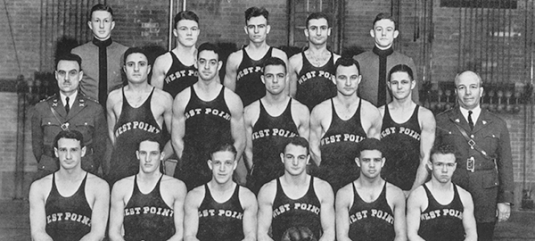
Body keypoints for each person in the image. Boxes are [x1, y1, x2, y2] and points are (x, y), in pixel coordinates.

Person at [435, 70, 513, 241]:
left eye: (473, 87)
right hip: (452, 191)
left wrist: (505, 199)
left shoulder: (497, 124)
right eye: (462, 87)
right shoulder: (441, 121)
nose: (468, 92)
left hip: (485, 196)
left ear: (481, 91)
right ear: (456, 92)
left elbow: (505, 164)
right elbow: (432, 160)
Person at [172, 42, 246, 190]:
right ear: (195, 63)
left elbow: (240, 141)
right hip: (189, 174)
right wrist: (189, 164)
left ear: (219, 65)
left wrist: (225, 167)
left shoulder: (232, 100)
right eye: (202, 61)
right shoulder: (182, 98)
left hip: (221, 175)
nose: (207, 67)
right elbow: (176, 139)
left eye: (212, 62)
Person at [309, 57, 382, 191]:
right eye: (342, 78)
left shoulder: (371, 112)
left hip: (359, 187)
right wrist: (329, 174)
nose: (348, 83)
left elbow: (374, 152)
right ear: (333, 79)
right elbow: (314, 150)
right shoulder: (320, 111)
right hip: (327, 183)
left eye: (353, 77)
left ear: (359, 79)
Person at [31, 53, 107, 178]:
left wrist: (89, 166)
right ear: (56, 75)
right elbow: (37, 148)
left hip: (84, 173)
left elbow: (100, 147)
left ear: (80, 76)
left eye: (72, 73)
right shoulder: (42, 108)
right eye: (62, 73)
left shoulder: (94, 109)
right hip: (50, 174)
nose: (66, 78)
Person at [106, 47, 173, 185]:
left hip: (151, 174)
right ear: (124, 69)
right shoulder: (113, 98)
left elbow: (175, 138)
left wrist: (159, 158)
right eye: (131, 65)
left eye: (141, 64)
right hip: (120, 170)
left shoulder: (163, 99)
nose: (136, 69)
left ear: (148, 69)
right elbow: (112, 136)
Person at [244, 57, 310, 194]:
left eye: (279, 76)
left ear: (286, 78)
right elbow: (247, 151)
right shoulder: (250, 111)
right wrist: (255, 176)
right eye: (269, 76)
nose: (275, 81)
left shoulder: (300, 111)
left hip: (290, 184)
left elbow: (304, 153)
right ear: (263, 79)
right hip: (259, 181)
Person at [29, 130, 109, 241]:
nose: (68, 156)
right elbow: (37, 232)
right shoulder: (39, 187)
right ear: (56, 152)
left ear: (83, 151)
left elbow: (97, 233)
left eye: (73, 150)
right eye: (63, 150)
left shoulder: (99, 186)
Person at [109, 136, 187, 241]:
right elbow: (114, 232)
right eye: (143, 153)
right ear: (137, 155)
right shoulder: (121, 187)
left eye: (153, 153)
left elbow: (180, 233)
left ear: (161, 155)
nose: (147, 159)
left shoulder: (176, 187)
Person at [257, 137, 335, 241]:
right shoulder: (268, 190)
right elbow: (262, 233)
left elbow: (329, 232)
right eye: (290, 157)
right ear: (282, 157)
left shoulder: (322, 188)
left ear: (307, 159)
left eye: (301, 157)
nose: (295, 162)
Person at [379, 64, 435, 196]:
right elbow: (374, 157)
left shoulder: (424, 116)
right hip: (383, 189)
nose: (399, 87)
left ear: (413, 84)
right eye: (395, 82)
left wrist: (412, 192)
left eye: (404, 82)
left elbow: (425, 159)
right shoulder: (379, 114)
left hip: (413, 188)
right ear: (388, 85)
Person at [335, 138, 406, 241]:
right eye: (366, 160)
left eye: (376, 160)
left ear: (383, 162)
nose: (372, 165)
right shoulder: (344, 194)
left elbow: (401, 236)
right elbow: (342, 237)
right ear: (358, 162)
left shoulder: (395, 193)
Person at [183, 143, 257, 241]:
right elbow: (189, 236)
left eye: (228, 163)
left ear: (234, 165)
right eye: (217, 163)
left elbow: (250, 237)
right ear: (210, 164)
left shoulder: (247, 197)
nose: (222, 169)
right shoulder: (195, 196)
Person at [406, 143, 477, 241]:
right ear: (430, 165)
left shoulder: (465, 196)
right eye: (439, 164)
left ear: (455, 166)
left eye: (449, 165)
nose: (444, 170)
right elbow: (412, 234)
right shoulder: (418, 196)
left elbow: (472, 234)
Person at [224, 7, 289, 107]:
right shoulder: (235, 59)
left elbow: (286, 94)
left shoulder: (279, 56)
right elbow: (228, 97)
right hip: (244, 117)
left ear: (267, 29)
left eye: (261, 26)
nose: (256, 31)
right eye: (251, 27)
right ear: (246, 29)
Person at [353, 13, 419, 107]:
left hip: (398, 118)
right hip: (366, 118)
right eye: (379, 29)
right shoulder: (358, 61)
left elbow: (414, 100)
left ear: (395, 34)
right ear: (372, 33)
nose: (384, 34)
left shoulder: (406, 62)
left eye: (389, 30)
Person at [72, 3, 128, 107]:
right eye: (97, 21)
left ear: (112, 25)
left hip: (117, 112)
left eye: (106, 21)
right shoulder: (78, 53)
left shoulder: (125, 52)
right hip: (87, 114)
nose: (101, 26)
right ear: (90, 25)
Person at [288, 12, 340, 111]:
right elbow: (291, 98)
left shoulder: (337, 61)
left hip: (330, 121)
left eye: (323, 28)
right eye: (313, 28)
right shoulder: (295, 61)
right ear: (306, 32)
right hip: (304, 120)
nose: (319, 33)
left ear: (329, 31)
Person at [151, 10, 199, 98]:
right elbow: (156, 101)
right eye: (183, 29)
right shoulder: (163, 61)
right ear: (175, 32)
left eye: (193, 29)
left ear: (198, 32)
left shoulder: (207, 60)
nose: (189, 33)